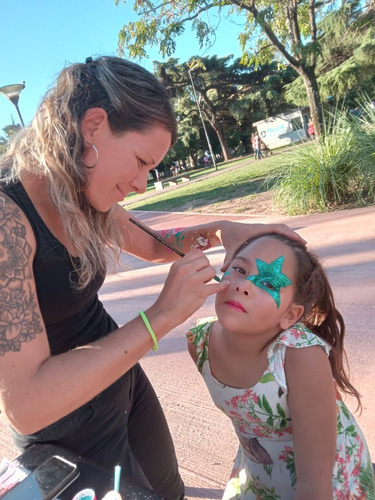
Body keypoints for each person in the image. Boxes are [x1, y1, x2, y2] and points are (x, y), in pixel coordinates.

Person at [0, 56, 303, 500]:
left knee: (170, 492)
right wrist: (159, 317)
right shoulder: (8, 221)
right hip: (64, 433)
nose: (143, 184)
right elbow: (26, 406)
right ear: (93, 127)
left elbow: (154, 244)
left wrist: (220, 229)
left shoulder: (77, 185)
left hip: (122, 384)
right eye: (141, 161)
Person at [187, 233, 375, 499]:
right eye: (239, 269)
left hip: (325, 477)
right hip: (260, 471)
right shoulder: (200, 342)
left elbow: (314, 485)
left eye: (268, 282)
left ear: (290, 315)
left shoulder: (300, 356)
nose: (244, 285)